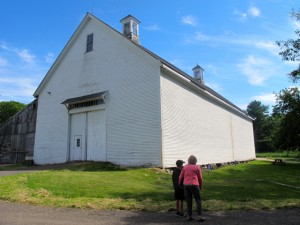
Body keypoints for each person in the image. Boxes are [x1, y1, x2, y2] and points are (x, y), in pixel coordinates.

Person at [179, 155, 205, 222]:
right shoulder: (197, 167)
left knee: (189, 200)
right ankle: (199, 216)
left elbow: (181, 176)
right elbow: (200, 178)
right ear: (195, 160)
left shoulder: (185, 167)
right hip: (194, 184)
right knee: (198, 200)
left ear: (188, 160)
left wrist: (179, 183)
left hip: (186, 185)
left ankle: (189, 216)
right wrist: (200, 186)